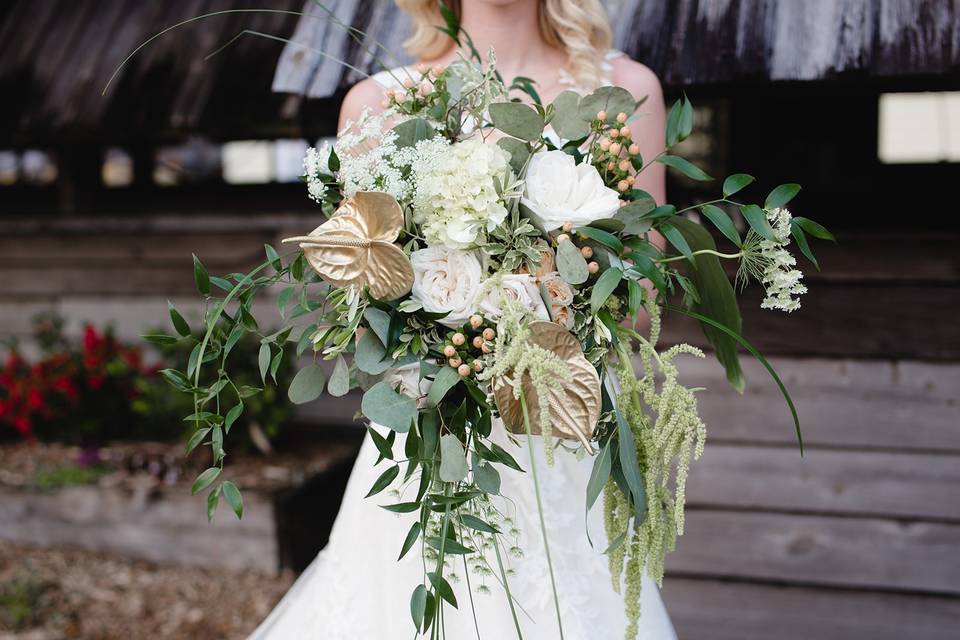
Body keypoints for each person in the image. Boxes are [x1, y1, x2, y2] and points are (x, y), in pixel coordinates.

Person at [251, 1, 675, 638]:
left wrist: (548, 298)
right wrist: (454, 318)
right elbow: (367, 305)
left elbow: (643, 301)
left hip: (564, 420)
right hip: (435, 431)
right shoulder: (378, 103)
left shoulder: (625, 93)